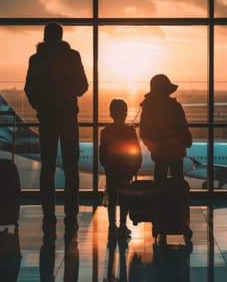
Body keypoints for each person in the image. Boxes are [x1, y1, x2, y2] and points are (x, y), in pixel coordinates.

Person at [24, 21, 88, 241]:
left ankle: (48, 215)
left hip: (47, 119)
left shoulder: (36, 59)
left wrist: (41, 106)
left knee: (47, 169)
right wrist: (67, 95)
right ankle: (71, 214)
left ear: (44, 36)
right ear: (61, 36)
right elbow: (83, 86)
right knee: (72, 169)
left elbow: (29, 88)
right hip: (68, 118)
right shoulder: (73, 57)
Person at [99, 99, 142, 238]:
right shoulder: (130, 131)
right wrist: (135, 167)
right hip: (125, 170)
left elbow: (102, 152)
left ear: (111, 114)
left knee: (111, 198)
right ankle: (123, 226)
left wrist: (105, 163)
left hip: (111, 170)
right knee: (124, 198)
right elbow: (136, 151)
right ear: (125, 113)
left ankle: (112, 227)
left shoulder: (105, 132)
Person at [139, 74, 192, 182]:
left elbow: (144, 132)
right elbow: (183, 128)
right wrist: (184, 141)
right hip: (176, 151)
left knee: (159, 180)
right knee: (177, 182)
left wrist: (153, 146)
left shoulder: (148, 107)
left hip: (159, 152)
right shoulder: (175, 106)